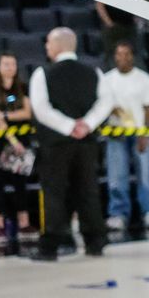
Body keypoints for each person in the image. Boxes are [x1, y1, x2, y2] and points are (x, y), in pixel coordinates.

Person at [29, 27, 114, 261]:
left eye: (48, 42)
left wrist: (68, 127)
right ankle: (95, 241)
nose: (46, 47)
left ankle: (51, 245)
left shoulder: (42, 74)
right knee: (88, 189)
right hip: (86, 142)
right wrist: (86, 125)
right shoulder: (94, 71)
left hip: (56, 143)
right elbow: (107, 101)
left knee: (54, 192)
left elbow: (41, 109)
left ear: (58, 45)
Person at [103, 41, 149, 230]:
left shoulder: (144, 79)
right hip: (116, 133)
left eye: (126, 54)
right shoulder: (107, 79)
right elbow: (102, 106)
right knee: (116, 175)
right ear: (115, 57)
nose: (122, 58)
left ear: (132, 56)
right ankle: (118, 214)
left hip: (139, 131)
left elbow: (148, 108)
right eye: (119, 54)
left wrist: (144, 133)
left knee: (146, 174)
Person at [0, 53, 37, 242]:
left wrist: (6, 116)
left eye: (13, 64)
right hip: (1, 142)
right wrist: (13, 140)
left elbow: (27, 112)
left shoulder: (22, 88)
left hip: (22, 141)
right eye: (6, 64)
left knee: (20, 183)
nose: (10, 67)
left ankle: (24, 223)